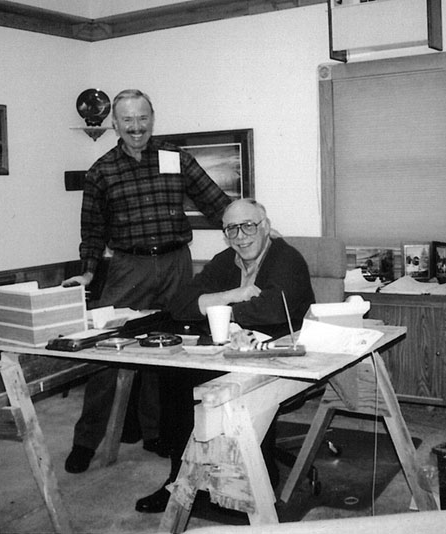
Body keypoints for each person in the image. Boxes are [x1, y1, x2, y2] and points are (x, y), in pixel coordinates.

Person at [61, 89, 232, 474]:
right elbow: (92, 231)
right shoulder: (101, 171)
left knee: (170, 348)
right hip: (128, 267)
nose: (136, 127)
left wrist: (249, 227)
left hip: (175, 263)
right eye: (127, 120)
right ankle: (86, 440)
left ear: (151, 118)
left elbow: (216, 201)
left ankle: (159, 433)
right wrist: (88, 271)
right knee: (104, 350)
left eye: (142, 119)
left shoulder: (174, 157)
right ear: (115, 124)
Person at [135, 198, 315, 513]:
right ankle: (178, 480)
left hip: (282, 355)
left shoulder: (288, 259)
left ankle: (258, 475)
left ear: (265, 227)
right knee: (176, 375)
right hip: (227, 350)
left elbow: (272, 309)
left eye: (248, 226)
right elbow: (179, 303)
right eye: (232, 229)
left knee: (241, 386)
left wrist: (215, 308)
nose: (241, 236)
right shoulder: (224, 260)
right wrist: (234, 295)